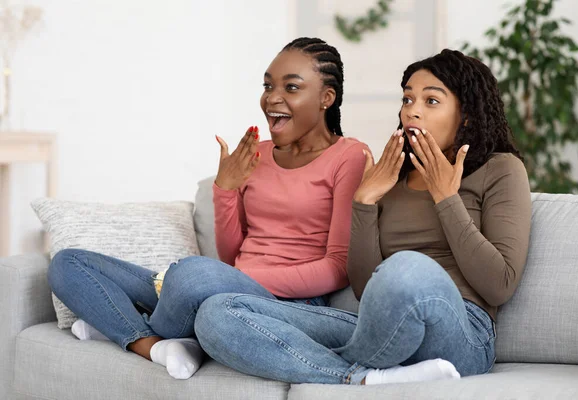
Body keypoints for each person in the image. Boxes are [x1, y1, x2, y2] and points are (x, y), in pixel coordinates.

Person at [195, 49, 532, 385]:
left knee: (405, 269)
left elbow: (499, 285)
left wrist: (446, 197)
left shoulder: (500, 169)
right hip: (377, 325)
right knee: (217, 312)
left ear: (467, 115)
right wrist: (365, 200)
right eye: (407, 99)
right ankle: (358, 378)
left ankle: (347, 358)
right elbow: (363, 287)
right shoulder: (392, 177)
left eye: (431, 101)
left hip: (464, 331)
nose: (412, 111)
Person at [47, 37, 367, 380]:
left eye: (291, 87)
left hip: (282, 303)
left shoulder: (349, 156)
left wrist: (232, 279)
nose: (273, 97)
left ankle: (126, 328)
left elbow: (337, 268)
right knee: (68, 263)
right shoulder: (253, 153)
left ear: (326, 98)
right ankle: (154, 343)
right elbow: (230, 255)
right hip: (215, 284)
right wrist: (225, 189)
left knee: (190, 275)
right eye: (268, 85)